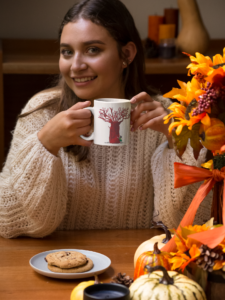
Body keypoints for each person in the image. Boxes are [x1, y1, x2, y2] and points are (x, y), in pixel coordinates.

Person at [0, 0, 211, 238]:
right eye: (67, 52)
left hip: (135, 267)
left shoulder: (166, 116)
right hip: (56, 267)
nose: (76, 66)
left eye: (92, 50)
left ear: (127, 54)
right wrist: (45, 144)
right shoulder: (41, 113)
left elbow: (189, 226)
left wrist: (177, 142)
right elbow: (9, 221)